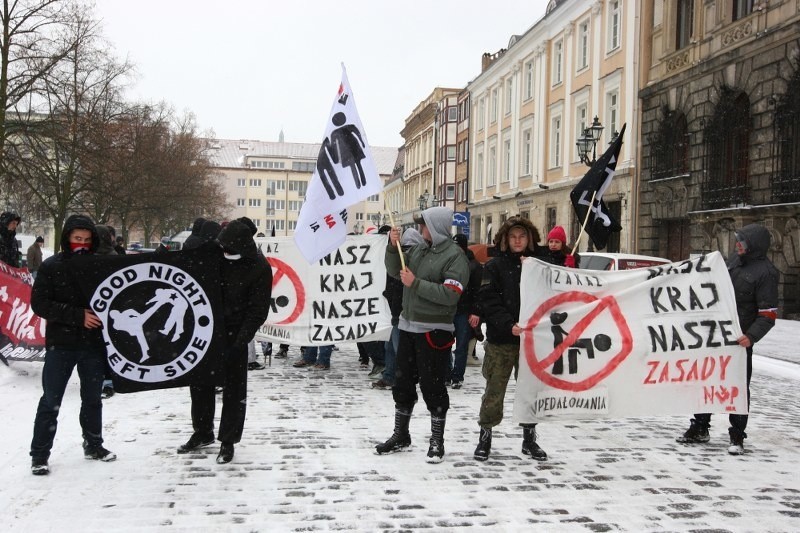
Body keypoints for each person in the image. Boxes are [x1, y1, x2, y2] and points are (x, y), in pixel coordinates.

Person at [375, 206, 469, 463]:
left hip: (434, 332)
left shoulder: (454, 256)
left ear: (436, 226)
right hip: (407, 327)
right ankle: (401, 434)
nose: (420, 229)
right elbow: (396, 270)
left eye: (424, 224)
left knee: (433, 385)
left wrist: (415, 283)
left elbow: (451, 294)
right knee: (403, 384)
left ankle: (436, 440)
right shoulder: (419, 249)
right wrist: (393, 248)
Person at [676, 223, 778, 455]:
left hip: (740, 342)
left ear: (753, 246)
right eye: (737, 241)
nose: (737, 245)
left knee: (738, 387)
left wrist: (751, 337)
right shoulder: (732, 263)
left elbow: (768, 314)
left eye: (742, 242)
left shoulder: (767, 273)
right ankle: (700, 427)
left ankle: (737, 435)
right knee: (707, 381)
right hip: (713, 337)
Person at [177, 219, 272, 464]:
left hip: (235, 334)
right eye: (223, 247)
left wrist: (241, 341)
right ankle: (202, 431)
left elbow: (257, 309)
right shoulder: (214, 255)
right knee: (199, 385)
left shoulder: (259, 266)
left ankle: (228, 441)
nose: (226, 252)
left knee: (234, 391)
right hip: (205, 332)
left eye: (231, 248)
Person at [29, 214, 114, 475]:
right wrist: (77, 316)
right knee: (50, 400)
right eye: (77, 239)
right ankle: (40, 455)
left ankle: (93, 444)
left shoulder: (99, 265)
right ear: (67, 238)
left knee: (92, 400)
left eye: (87, 240)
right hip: (61, 345)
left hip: (92, 346)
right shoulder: (52, 266)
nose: (82, 244)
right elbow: (40, 304)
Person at [473, 216, 549, 462]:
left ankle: (529, 438)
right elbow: (488, 299)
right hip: (501, 341)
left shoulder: (538, 265)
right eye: (513, 237)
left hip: (531, 343)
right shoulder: (493, 267)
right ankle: (485, 436)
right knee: (494, 391)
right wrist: (508, 324)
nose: (518, 241)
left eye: (522, 236)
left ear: (529, 239)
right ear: (505, 240)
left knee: (529, 392)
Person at [372, 229, 426, 390]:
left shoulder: (419, 263)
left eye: (409, 248)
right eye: (404, 248)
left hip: (408, 313)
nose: (406, 252)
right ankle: (390, 376)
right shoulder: (397, 261)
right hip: (395, 310)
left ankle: (405, 378)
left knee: (401, 349)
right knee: (391, 347)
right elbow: (390, 281)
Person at [449, 233, 483, 389]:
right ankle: (446, 374)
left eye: (458, 246)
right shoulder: (449, 262)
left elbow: (477, 291)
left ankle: (457, 376)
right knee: (444, 345)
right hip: (448, 309)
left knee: (461, 345)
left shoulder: (474, 265)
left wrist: (475, 311)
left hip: (464, 310)